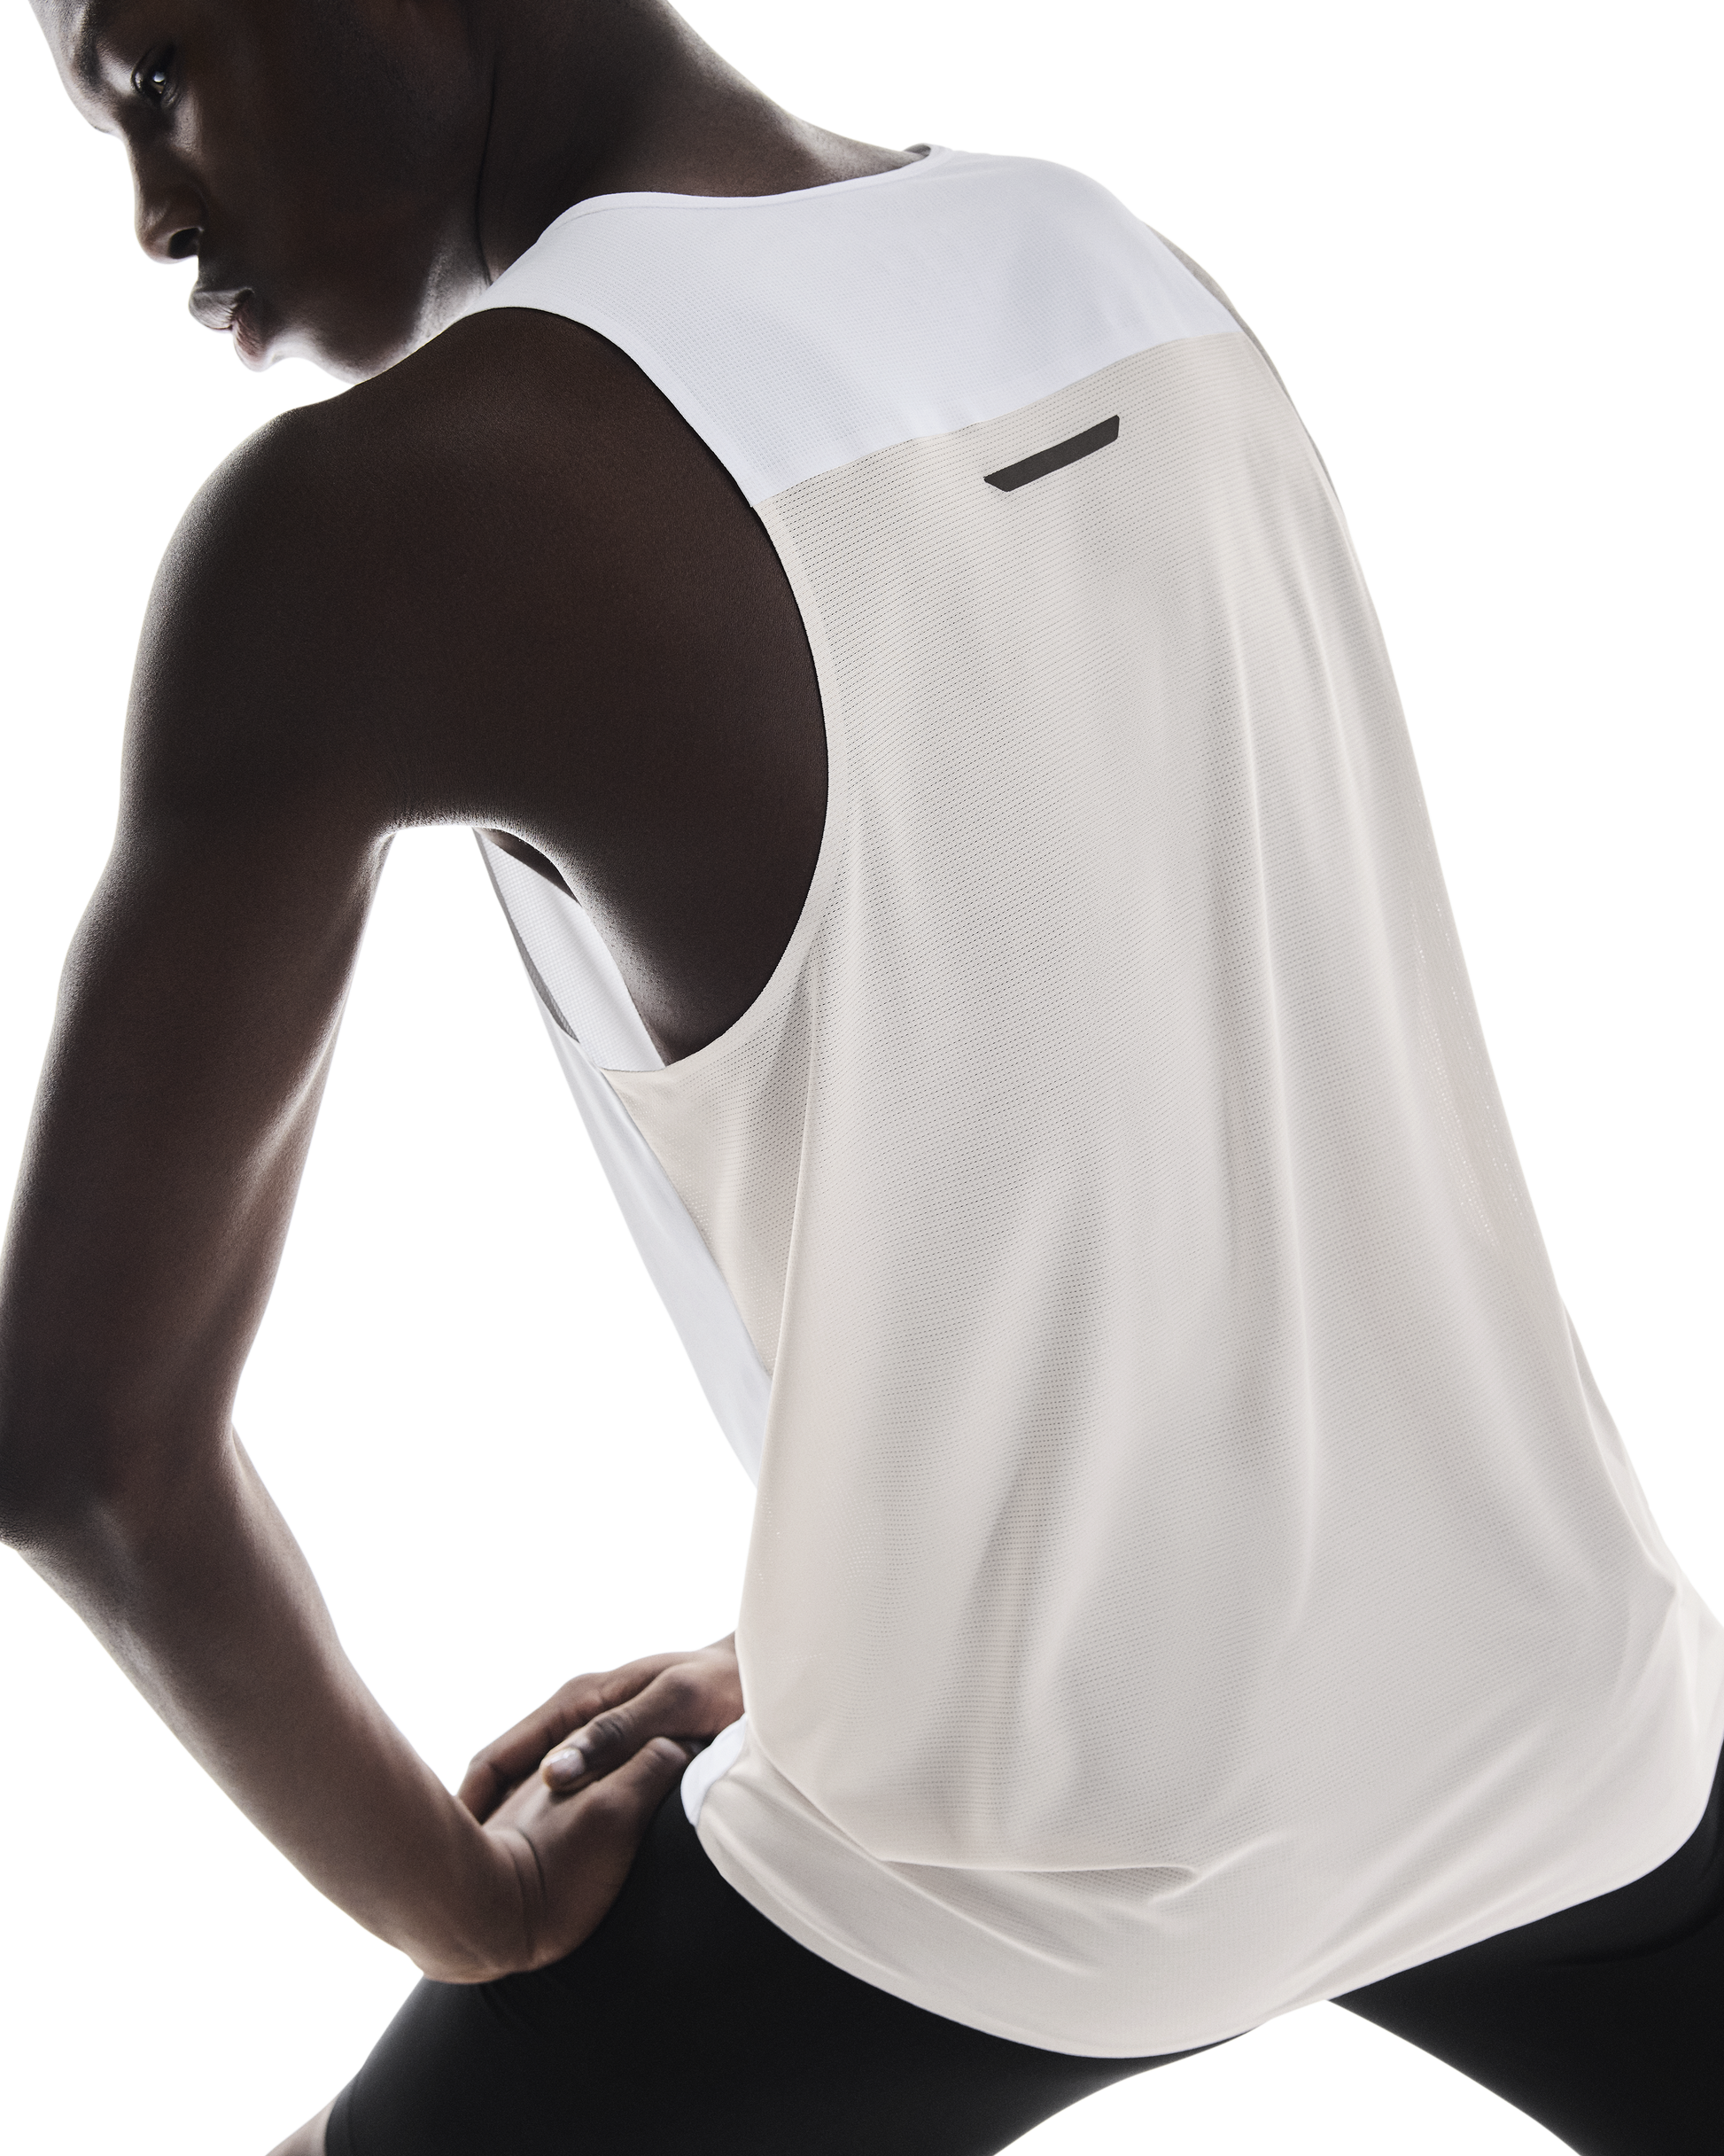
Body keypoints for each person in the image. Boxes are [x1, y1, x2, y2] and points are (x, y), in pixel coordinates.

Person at [5, 4, 1719, 2152]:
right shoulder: (1110, 258)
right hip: (1564, 1726)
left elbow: (86, 1454)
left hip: (997, 1869)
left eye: (154, 74)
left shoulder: (380, 511)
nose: (151, 215)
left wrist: (473, 1899)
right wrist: (863, 1618)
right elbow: (1188, 1130)